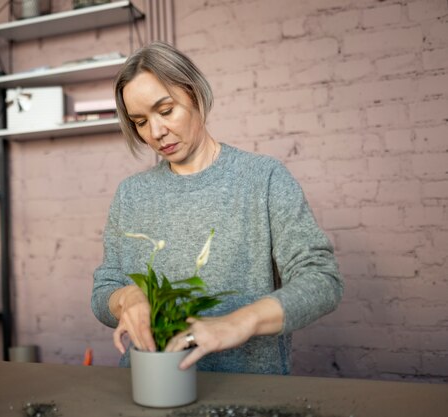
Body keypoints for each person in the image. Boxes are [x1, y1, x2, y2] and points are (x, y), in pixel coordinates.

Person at [91, 41, 343, 374]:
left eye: (166, 111)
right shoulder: (131, 194)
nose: (155, 132)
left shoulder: (263, 178)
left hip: (246, 391)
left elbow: (322, 279)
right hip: (150, 385)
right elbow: (104, 289)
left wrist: (241, 322)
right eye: (140, 122)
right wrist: (127, 299)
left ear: (194, 94)